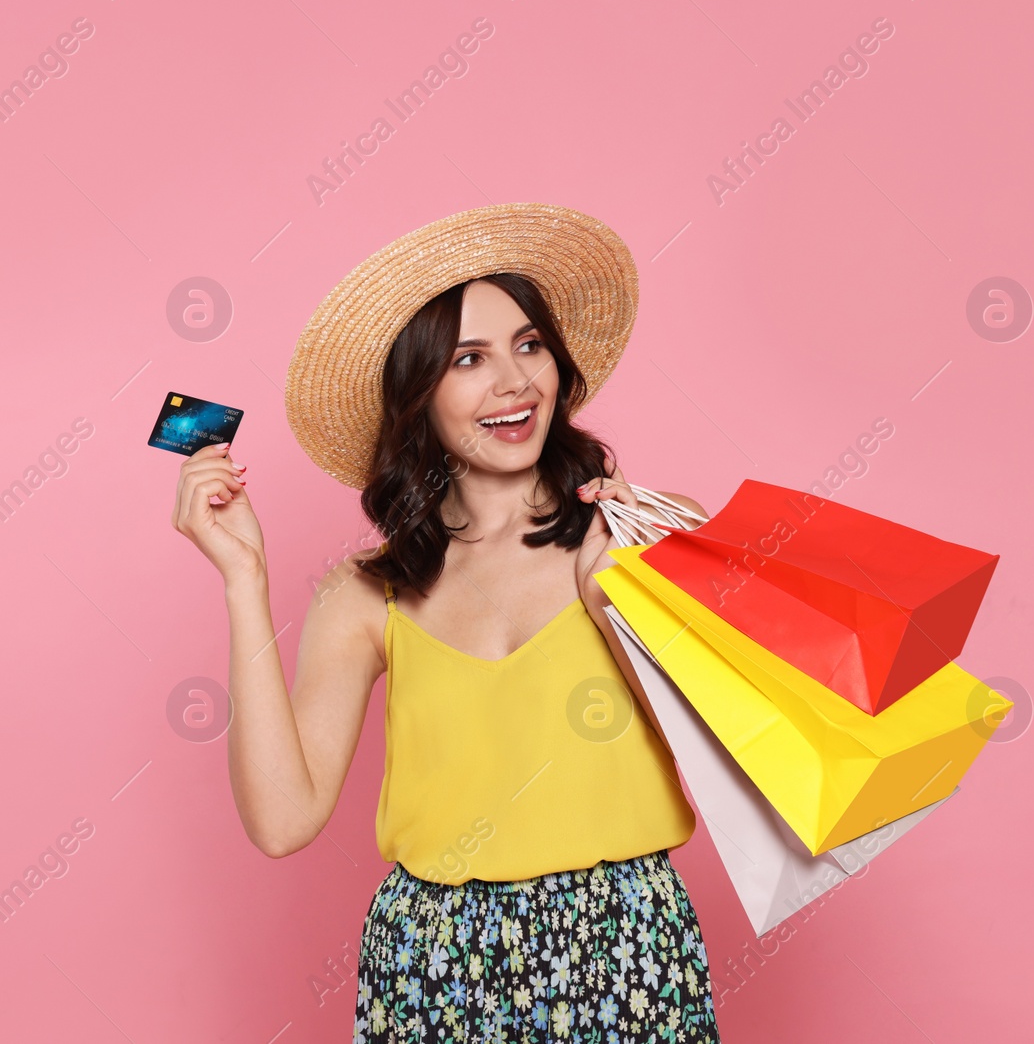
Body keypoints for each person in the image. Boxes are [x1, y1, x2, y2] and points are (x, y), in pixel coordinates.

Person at [171, 204, 721, 1042]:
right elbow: (284, 821)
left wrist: (615, 609)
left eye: (529, 345)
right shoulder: (366, 591)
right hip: (430, 966)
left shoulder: (646, 531)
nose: (514, 382)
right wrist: (244, 579)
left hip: (627, 948)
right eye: (470, 358)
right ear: (417, 395)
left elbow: (734, 760)